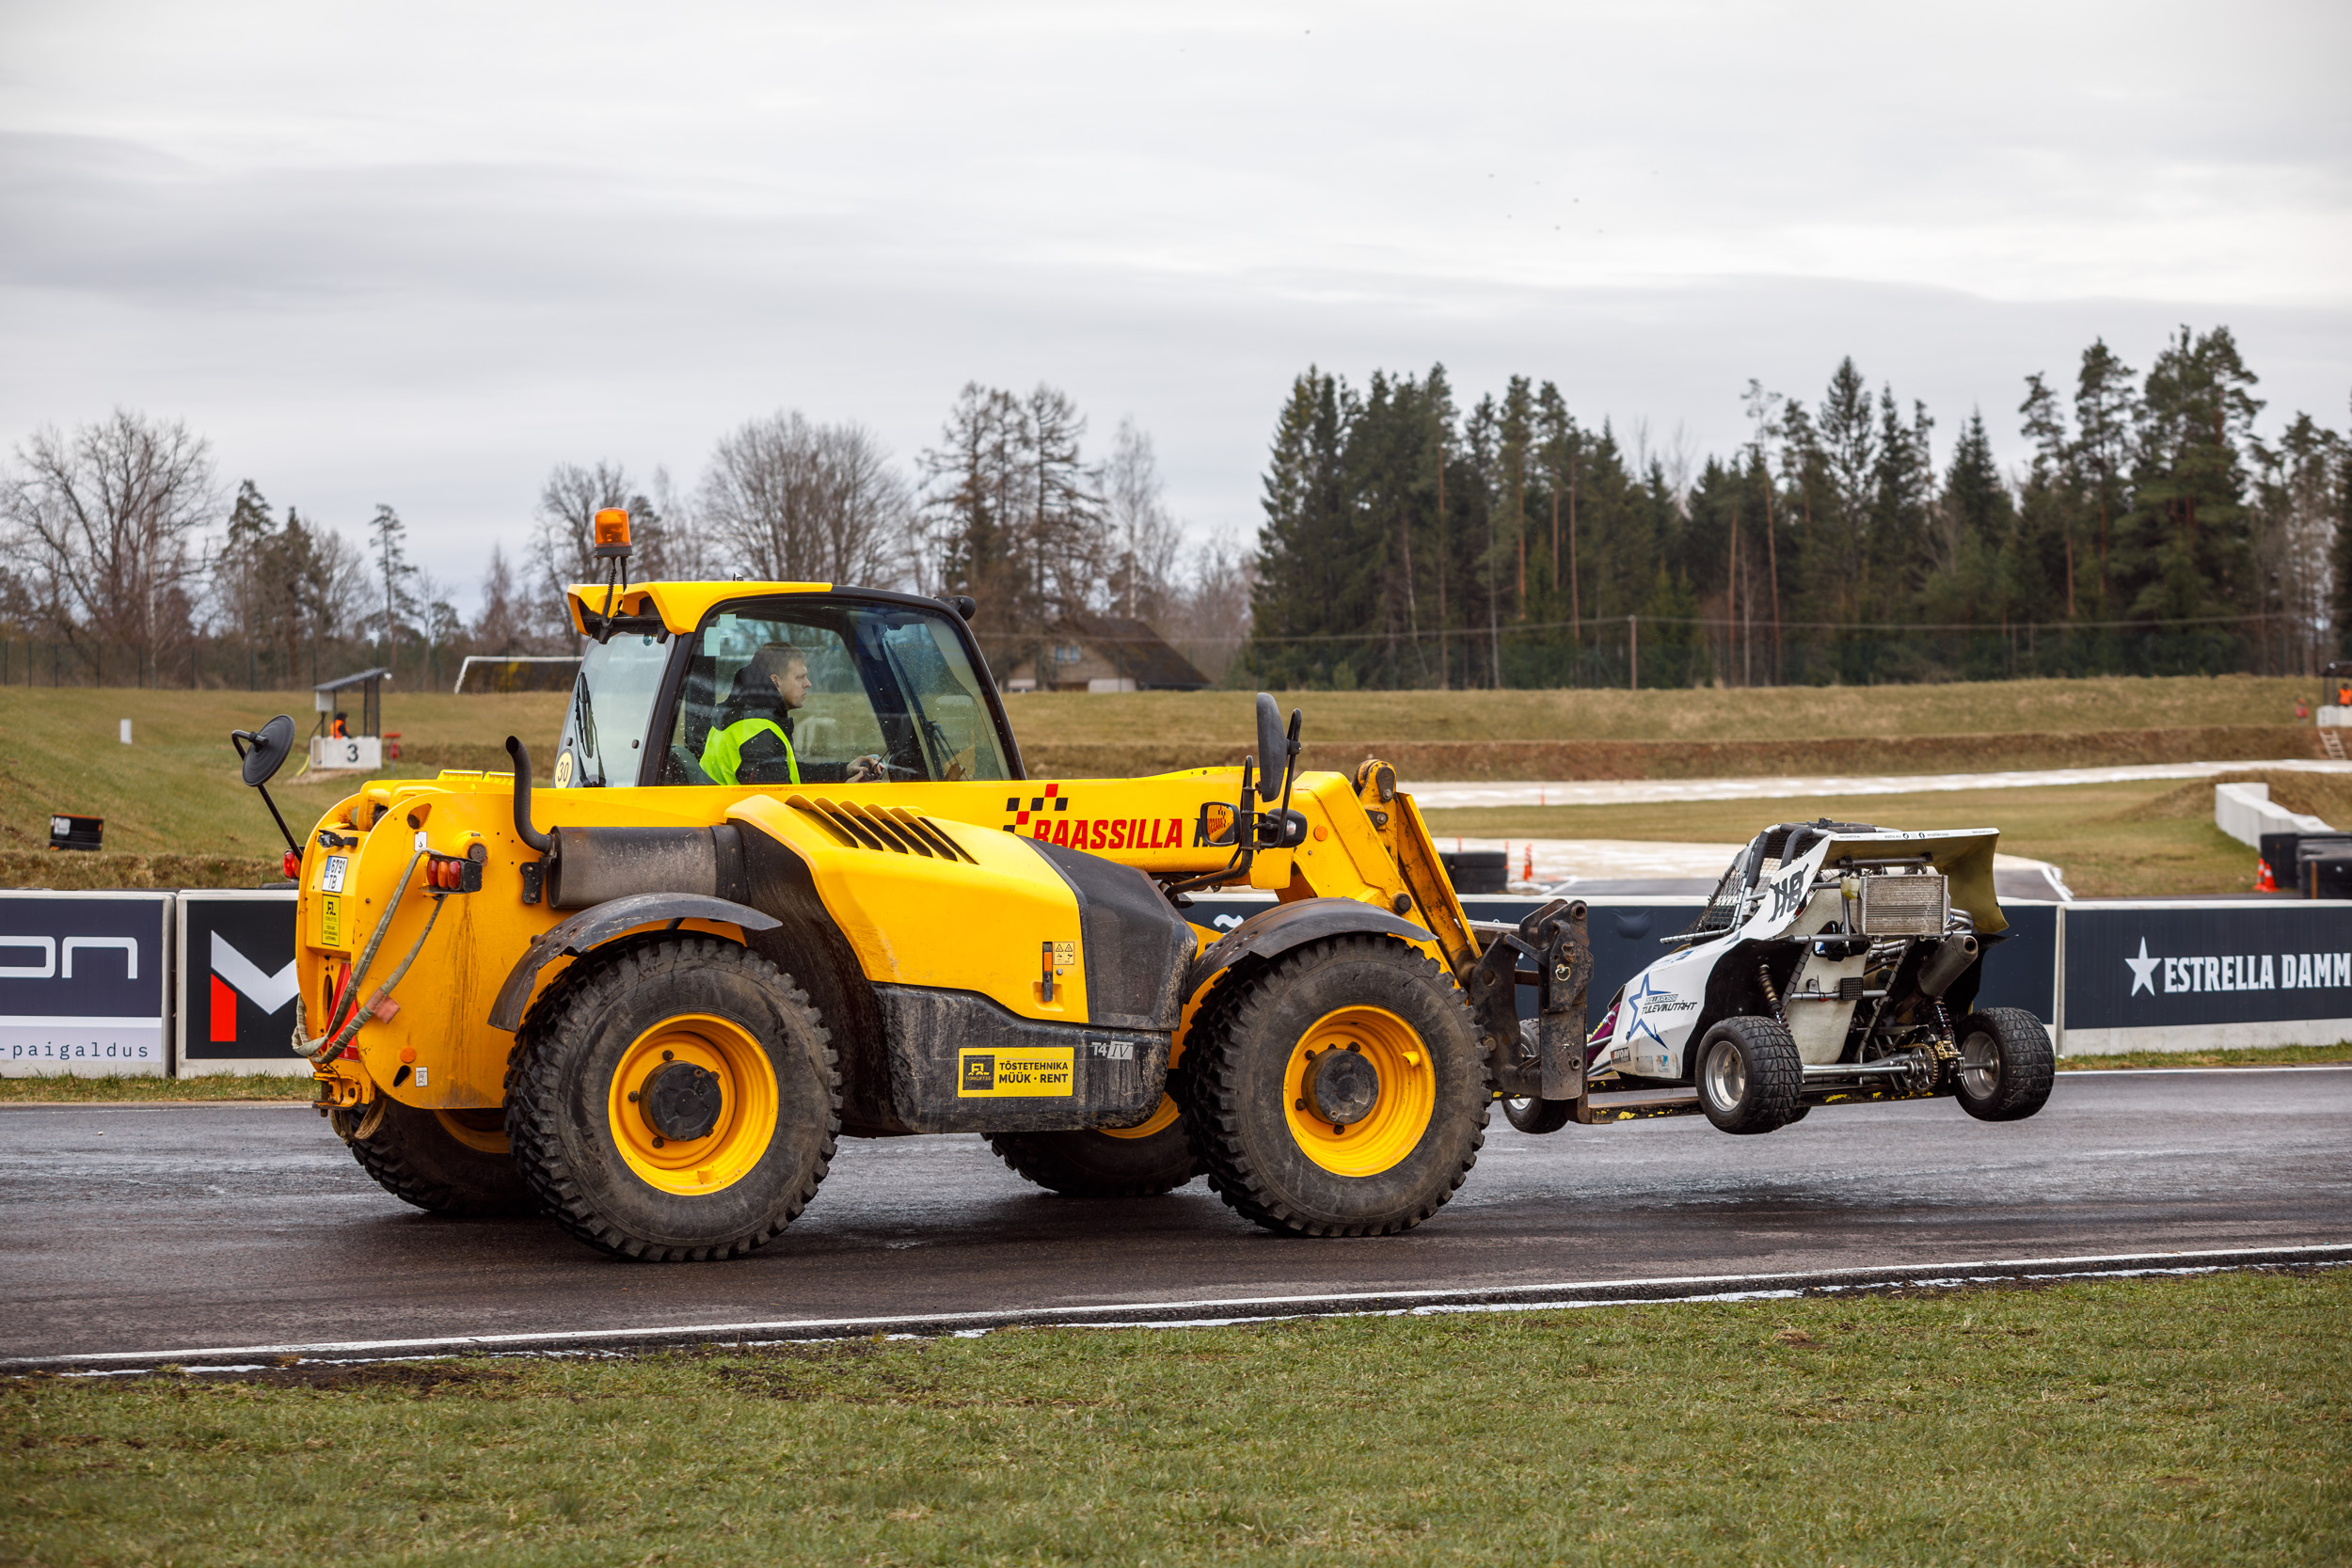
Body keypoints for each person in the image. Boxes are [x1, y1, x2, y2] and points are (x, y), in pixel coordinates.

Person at [698, 643, 885, 785]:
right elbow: (778, 806)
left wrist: (844, 770)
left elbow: (787, 772)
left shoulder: (745, 719)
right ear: (776, 682)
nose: (808, 683)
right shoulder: (759, 735)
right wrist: (845, 792)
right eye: (800, 677)